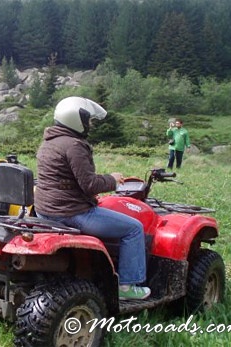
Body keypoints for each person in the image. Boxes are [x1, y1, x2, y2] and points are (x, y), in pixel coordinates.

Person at [34, 96, 150, 300]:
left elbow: (63, 179)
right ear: (76, 119)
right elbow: (90, 185)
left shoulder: (49, 142)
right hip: (70, 213)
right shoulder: (74, 145)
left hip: (46, 211)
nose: (90, 125)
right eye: (88, 120)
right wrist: (112, 180)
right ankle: (127, 287)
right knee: (134, 228)